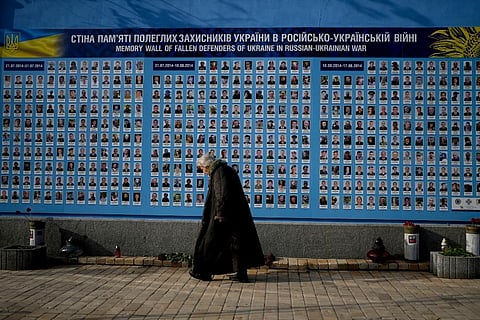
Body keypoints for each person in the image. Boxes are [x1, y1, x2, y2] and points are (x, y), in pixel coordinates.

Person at [190, 154, 264, 283]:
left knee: (211, 243)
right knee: (236, 244)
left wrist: (220, 214)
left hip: (226, 216)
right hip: (235, 215)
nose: (203, 171)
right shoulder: (224, 170)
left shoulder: (219, 172)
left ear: (207, 166)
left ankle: (204, 272)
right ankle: (241, 273)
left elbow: (221, 194)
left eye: (202, 168)